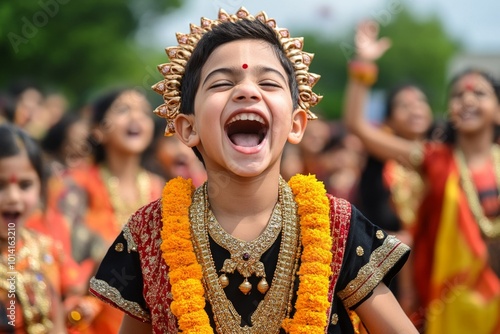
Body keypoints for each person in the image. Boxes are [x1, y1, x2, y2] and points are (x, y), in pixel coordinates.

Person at [89, 8, 418, 334]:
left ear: (295, 123)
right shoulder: (152, 232)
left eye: (268, 82)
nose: (247, 90)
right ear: (187, 129)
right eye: (222, 83)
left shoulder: (337, 226)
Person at [343, 20, 500, 334]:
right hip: (446, 299)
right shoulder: (434, 159)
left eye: (479, 94)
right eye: (458, 95)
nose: (467, 100)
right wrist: (364, 64)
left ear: (497, 109)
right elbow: (358, 125)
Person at [46, 87, 165, 333]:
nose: (136, 118)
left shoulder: (162, 189)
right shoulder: (75, 186)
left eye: (143, 112)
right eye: (123, 110)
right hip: (88, 316)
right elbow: (57, 250)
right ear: (98, 130)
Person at [0, 123, 84, 333]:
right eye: (0, 185)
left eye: (25, 185)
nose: (13, 197)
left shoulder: (46, 250)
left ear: (40, 188)